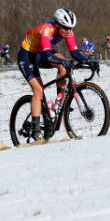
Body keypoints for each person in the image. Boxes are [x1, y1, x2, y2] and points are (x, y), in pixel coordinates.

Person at [17, 8, 90, 140]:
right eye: (65, 28)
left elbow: (74, 52)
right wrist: (64, 61)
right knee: (38, 90)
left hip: (40, 53)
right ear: (57, 24)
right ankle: (36, 130)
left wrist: (89, 61)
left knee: (64, 65)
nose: (68, 31)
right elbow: (47, 53)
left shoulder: (67, 32)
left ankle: (58, 103)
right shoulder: (46, 30)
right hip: (27, 56)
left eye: (70, 28)